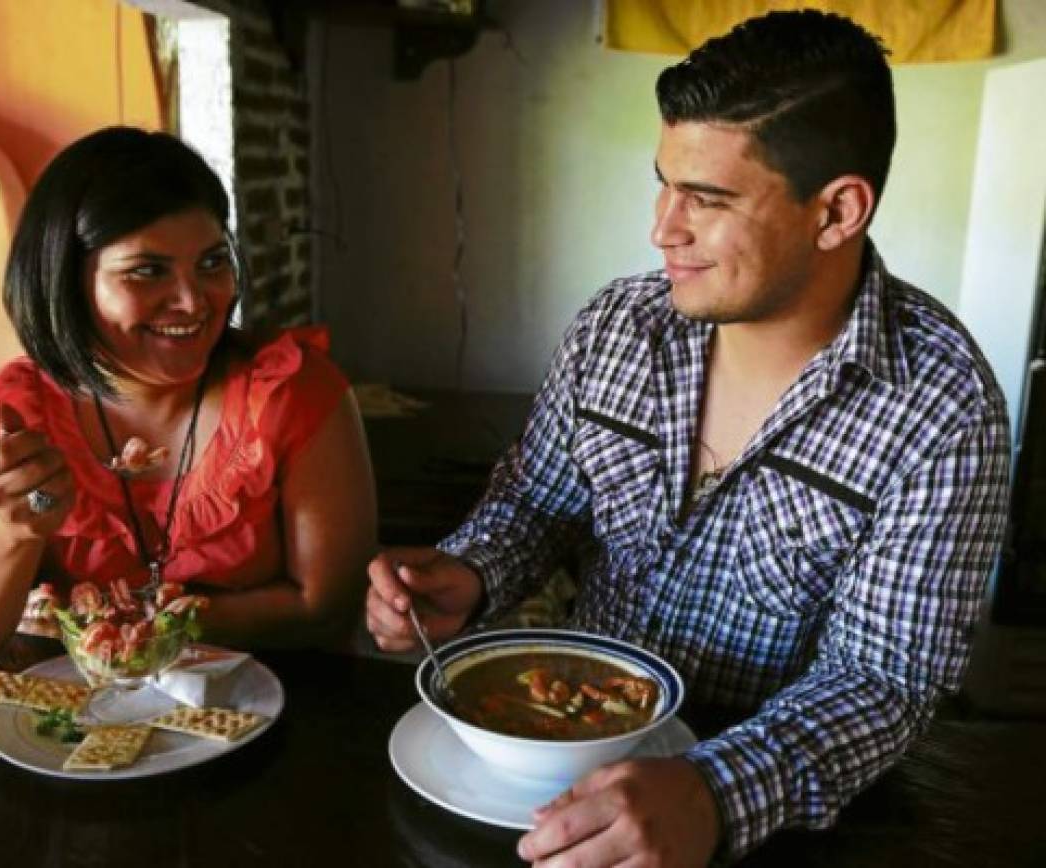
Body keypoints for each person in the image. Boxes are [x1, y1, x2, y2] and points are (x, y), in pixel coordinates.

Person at [366, 10, 1010, 866]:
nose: (662, 228)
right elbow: (537, 501)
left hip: (775, 822)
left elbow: (884, 680)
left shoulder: (941, 405)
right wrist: (472, 570)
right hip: (545, 767)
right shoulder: (619, 328)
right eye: (665, 183)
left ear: (838, 211)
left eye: (706, 200)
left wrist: (715, 791)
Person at [0, 126, 376, 675]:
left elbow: (324, 607)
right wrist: (9, 532)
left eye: (210, 263)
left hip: (282, 717)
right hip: (74, 739)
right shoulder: (18, 416)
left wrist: (120, 624)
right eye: (147, 271)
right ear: (66, 281)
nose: (192, 302)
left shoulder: (291, 393)